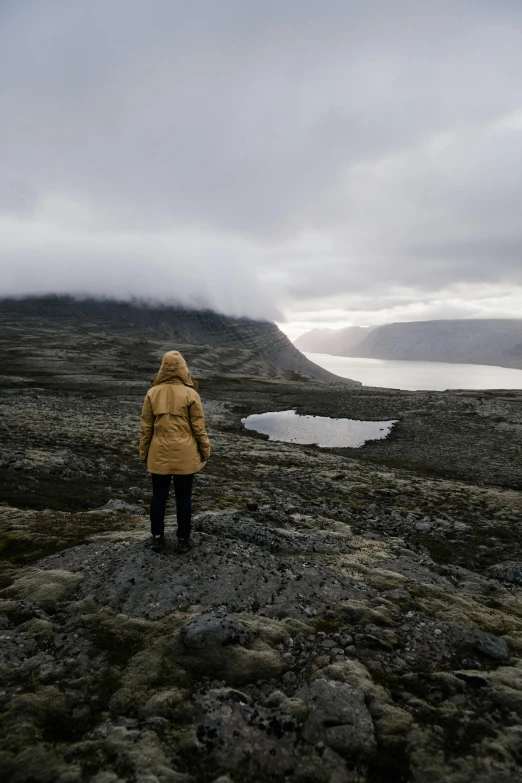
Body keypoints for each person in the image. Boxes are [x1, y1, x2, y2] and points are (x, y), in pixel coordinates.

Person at [139, 350, 211, 553]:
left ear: (162, 368)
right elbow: (199, 428)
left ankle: (157, 537)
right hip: (186, 454)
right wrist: (205, 450)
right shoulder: (191, 394)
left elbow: (146, 428)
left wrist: (144, 453)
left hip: (158, 452)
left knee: (158, 496)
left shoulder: (152, 393)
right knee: (184, 497)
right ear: (183, 369)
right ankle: (183, 540)